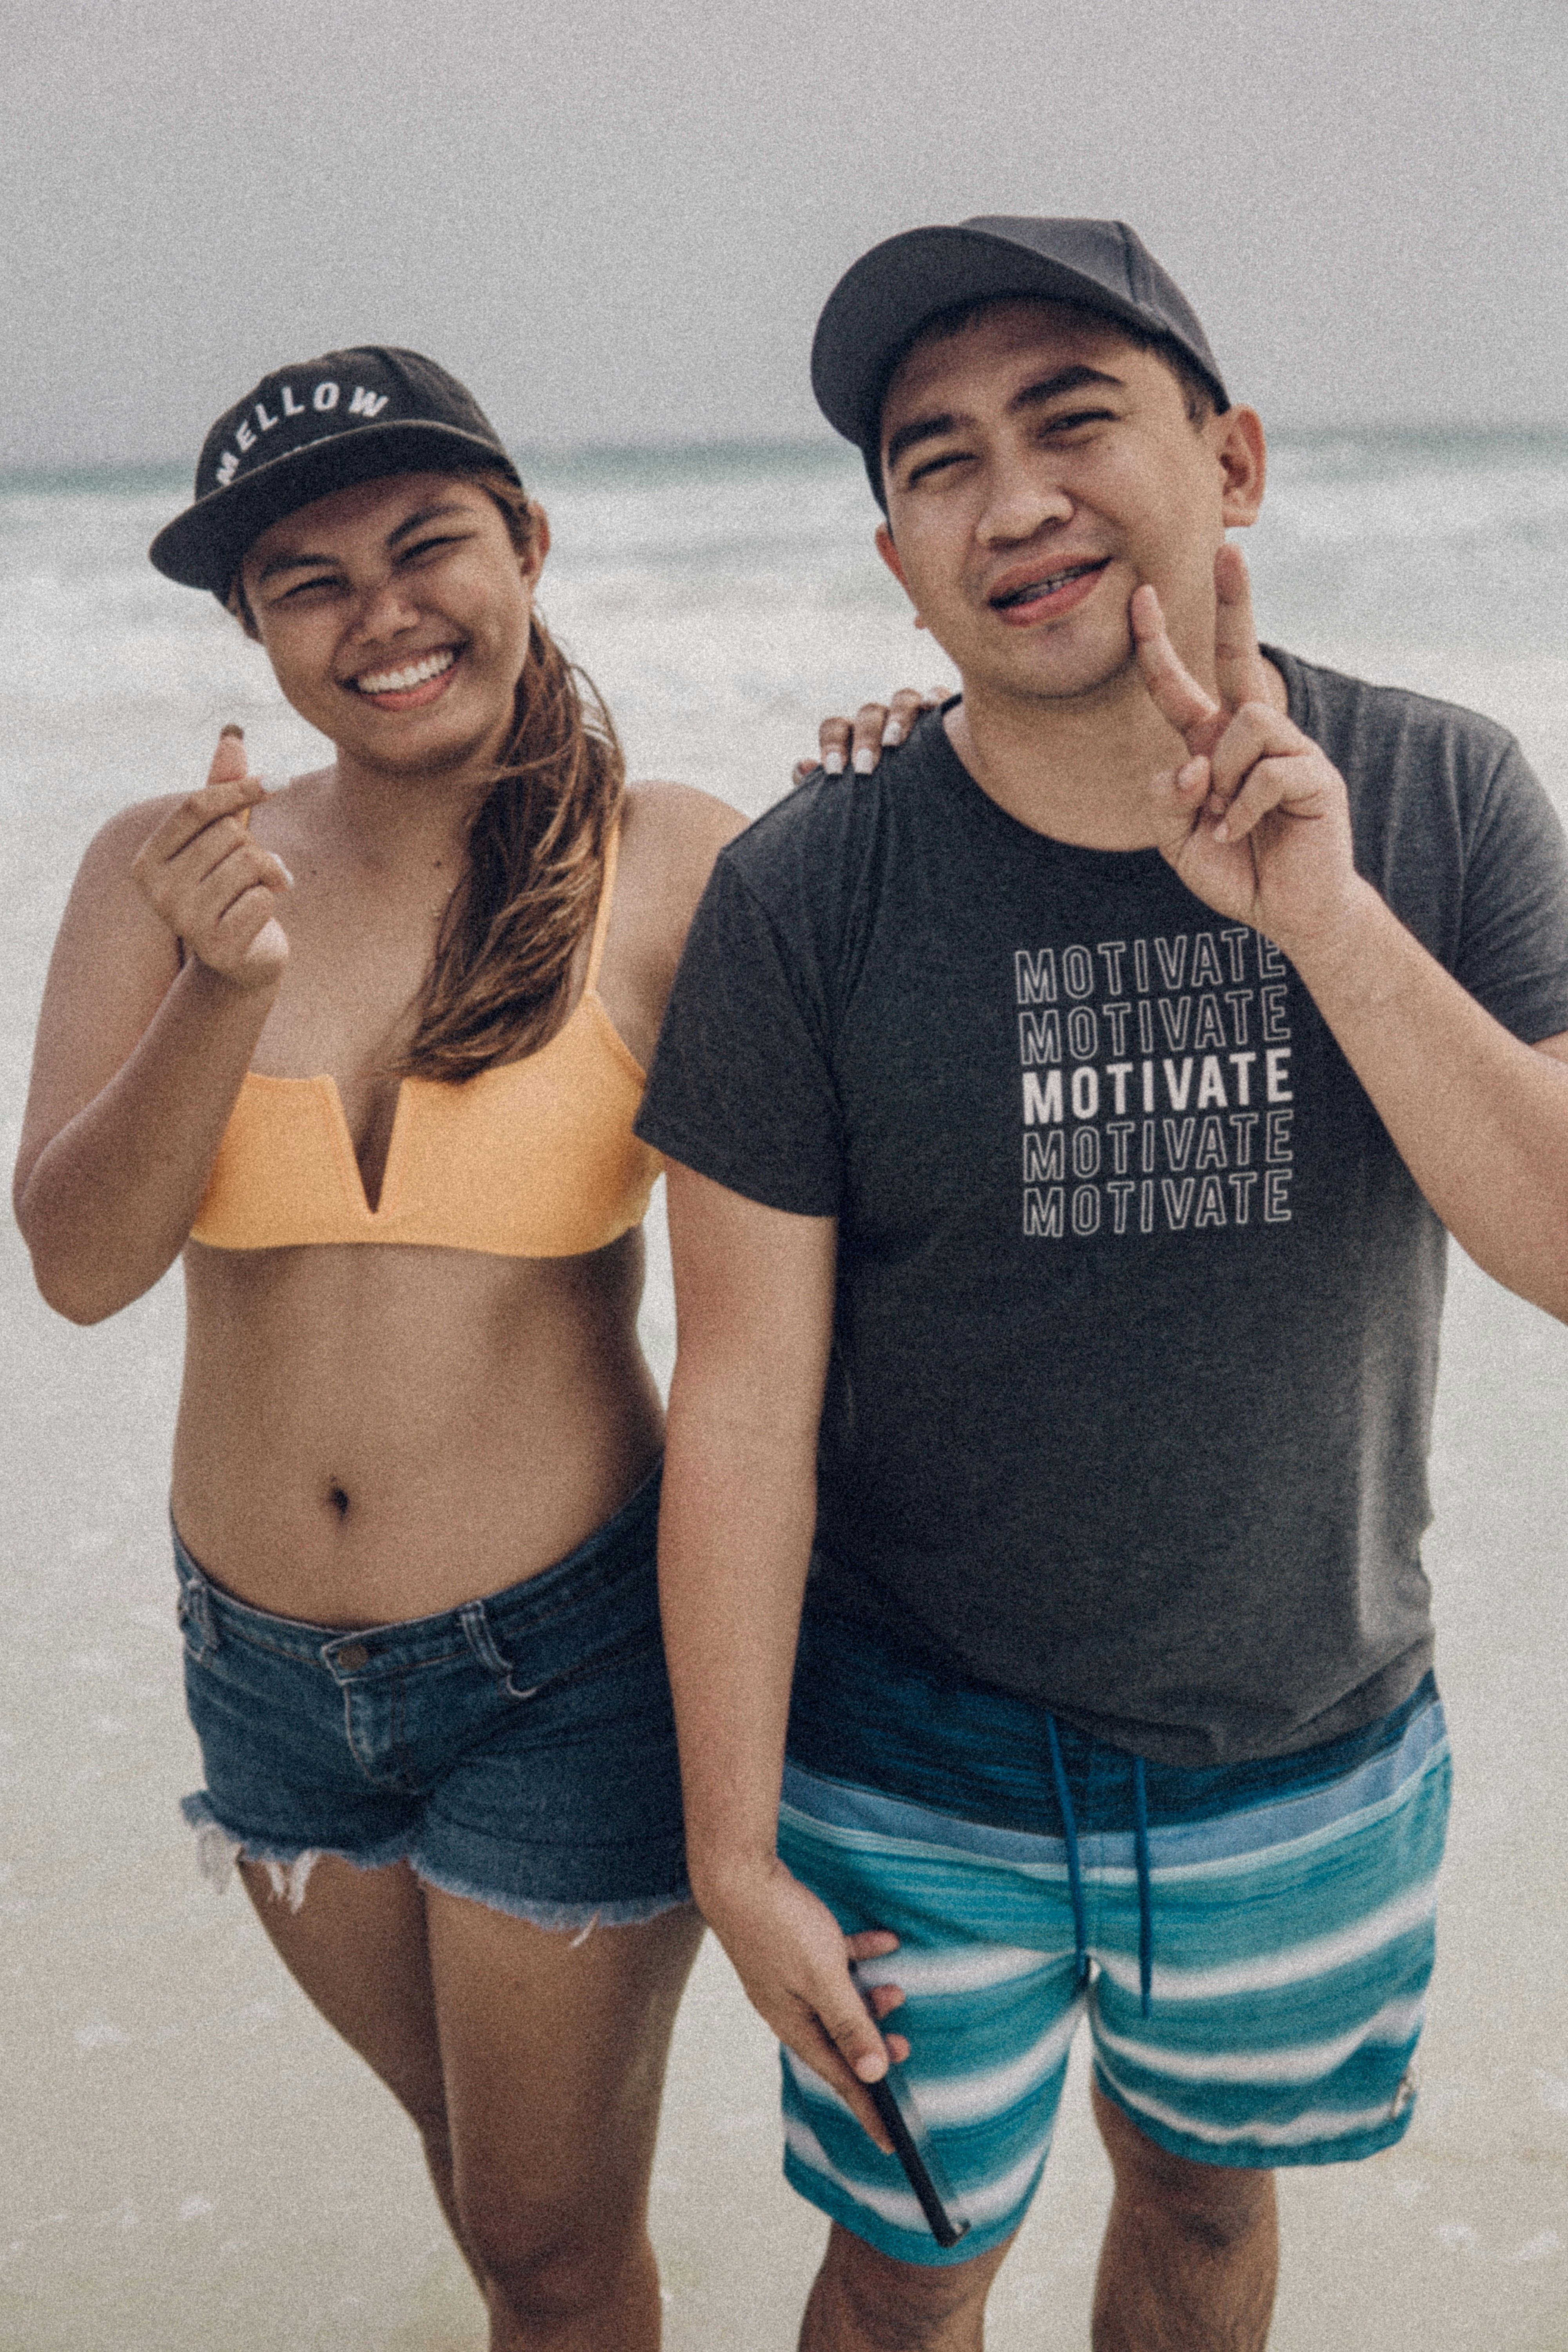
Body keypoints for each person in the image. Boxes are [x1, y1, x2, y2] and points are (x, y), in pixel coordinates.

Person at [639, 218, 1568, 2350]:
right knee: (908, 2267)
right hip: (906, 1771)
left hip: (1301, 1736)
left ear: (1231, 459)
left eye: (1075, 418)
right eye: (938, 458)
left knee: (1212, 2225)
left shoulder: (1439, 796)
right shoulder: (813, 886)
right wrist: (729, 1850)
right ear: (898, 561)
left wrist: (1323, 925)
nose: (1016, 496)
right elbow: (746, 1405)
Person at [14, 345, 767, 2352]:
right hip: (262, 1685)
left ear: (526, 542)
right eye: (308, 582)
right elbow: (80, 1266)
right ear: (253, 629)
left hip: (572, 1670)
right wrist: (219, 987)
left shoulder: (679, 864)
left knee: (542, 2238)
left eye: (428, 545)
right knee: (505, 2216)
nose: (382, 616)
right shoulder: (155, 872)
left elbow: (812, 1302)